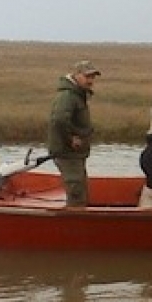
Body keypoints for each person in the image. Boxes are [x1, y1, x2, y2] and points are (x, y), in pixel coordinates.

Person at [47, 60, 100, 207]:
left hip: (74, 154)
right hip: (67, 153)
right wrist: (71, 138)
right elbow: (58, 119)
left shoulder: (77, 94)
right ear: (76, 75)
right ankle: (75, 224)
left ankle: (79, 219)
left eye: (93, 77)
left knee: (80, 188)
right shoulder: (68, 96)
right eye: (87, 76)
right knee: (76, 191)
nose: (91, 81)